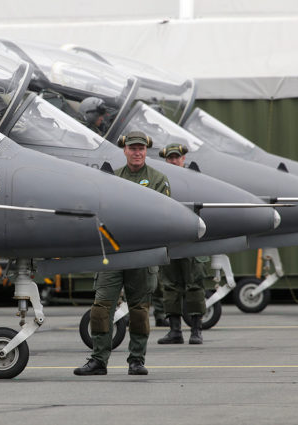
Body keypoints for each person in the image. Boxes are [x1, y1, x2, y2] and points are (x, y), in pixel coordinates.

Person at [74, 130, 170, 376]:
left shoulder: (158, 179)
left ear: (145, 151)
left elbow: (161, 215)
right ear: (125, 150)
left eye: (140, 148)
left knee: (139, 310)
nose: (136, 152)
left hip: (141, 254)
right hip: (114, 253)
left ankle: (136, 360)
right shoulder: (112, 178)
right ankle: (98, 360)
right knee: (101, 307)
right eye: (132, 148)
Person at [157, 143, 208, 345]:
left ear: (183, 159)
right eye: (170, 158)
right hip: (171, 241)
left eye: (177, 157)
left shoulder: (194, 180)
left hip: (192, 242)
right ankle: (175, 331)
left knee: (195, 284)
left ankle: (196, 330)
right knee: (170, 286)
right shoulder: (161, 180)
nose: (174, 161)